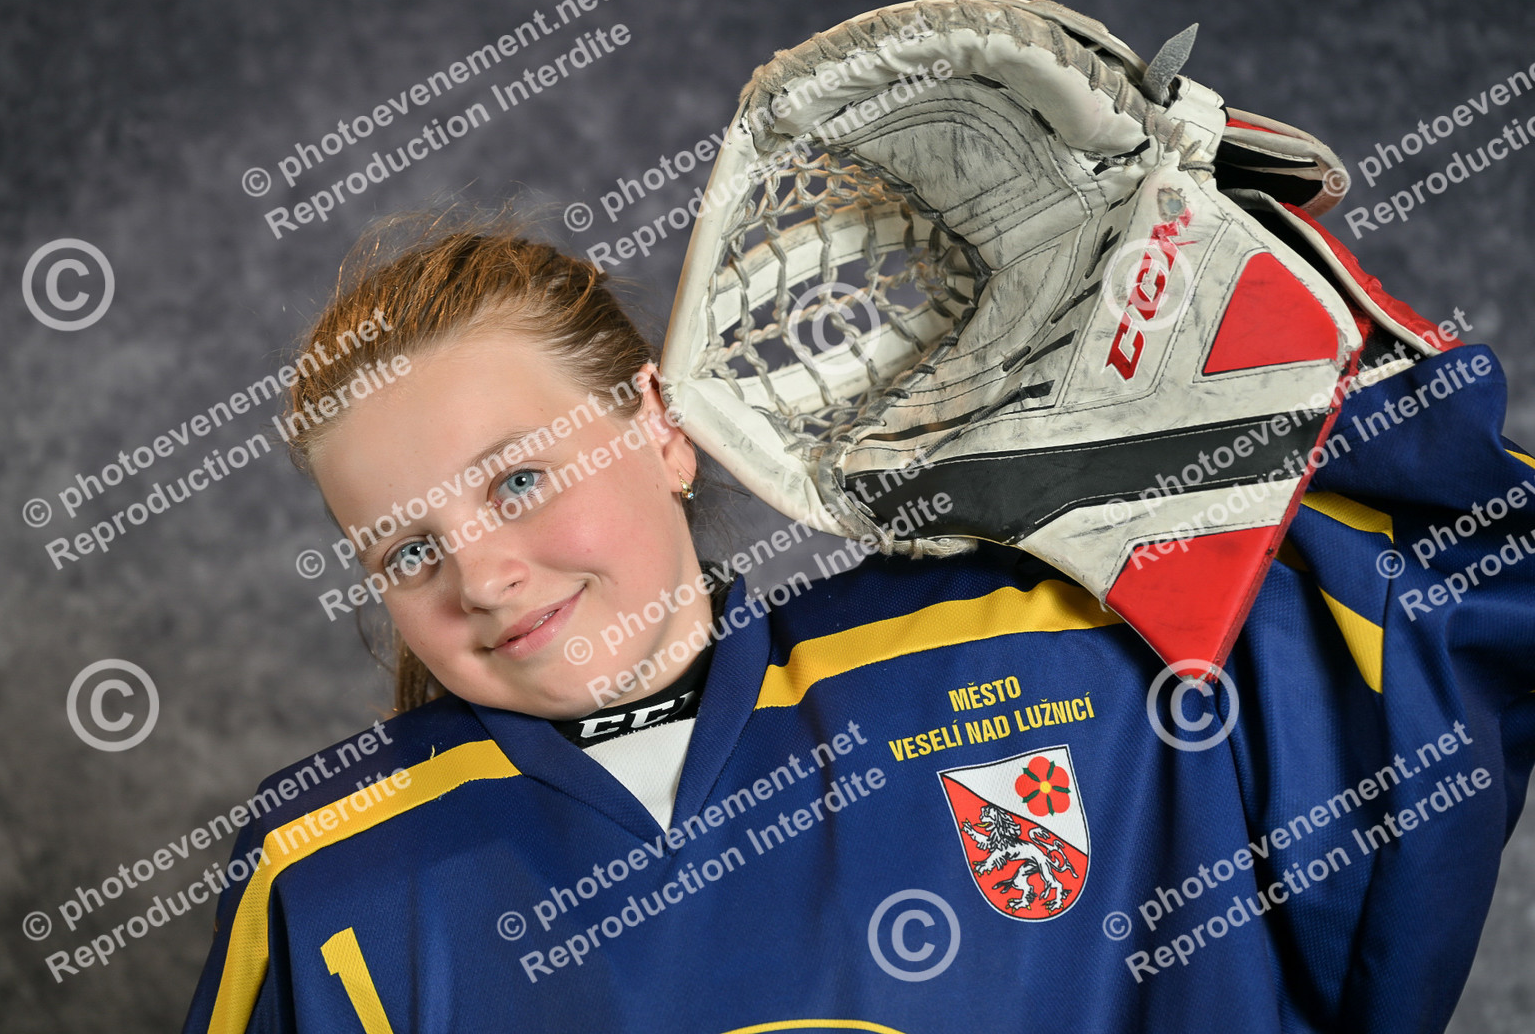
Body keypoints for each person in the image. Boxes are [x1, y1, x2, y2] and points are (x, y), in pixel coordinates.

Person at [183, 216, 1535, 1034]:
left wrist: (1259, 302)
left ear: (658, 427)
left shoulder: (1052, 642)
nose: (479, 576)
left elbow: (1469, 576)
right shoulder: (334, 878)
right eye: (409, 549)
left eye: (520, 481)